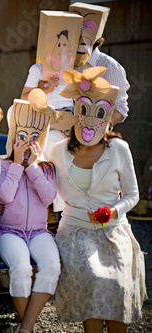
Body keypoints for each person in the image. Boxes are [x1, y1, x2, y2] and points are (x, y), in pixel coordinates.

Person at [50, 67, 146, 333]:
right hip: (75, 231)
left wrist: (112, 211)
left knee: (117, 283)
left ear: (107, 116)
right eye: (83, 111)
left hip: (113, 230)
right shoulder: (58, 151)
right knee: (93, 278)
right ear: (75, 112)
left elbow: (132, 195)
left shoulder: (119, 149)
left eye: (99, 112)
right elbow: (41, 183)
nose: (90, 120)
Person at [0, 97, 60, 333]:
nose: (27, 143)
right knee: (21, 267)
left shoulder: (46, 168)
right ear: (13, 137)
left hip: (39, 231)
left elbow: (48, 198)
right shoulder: (1, 165)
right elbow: (5, 196)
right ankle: (28, 326)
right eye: (22, 137)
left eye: (34, 138)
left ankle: (25, 327)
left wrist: (32, 168)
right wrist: (18, 166)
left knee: (52, 265)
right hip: (8, 231)